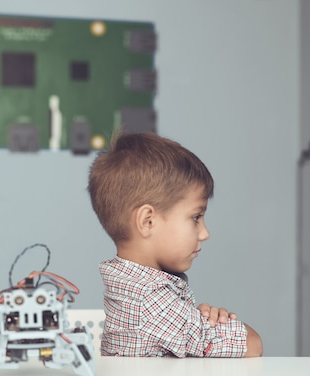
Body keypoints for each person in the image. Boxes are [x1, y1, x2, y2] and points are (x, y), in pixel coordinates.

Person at [87, 131, 262, 358]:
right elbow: (252, 345)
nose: (205, 233)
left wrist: (199, 320)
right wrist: (211, 326)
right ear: (148, 221)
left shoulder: (131, 287)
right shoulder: (149, 300)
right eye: (196, 217)